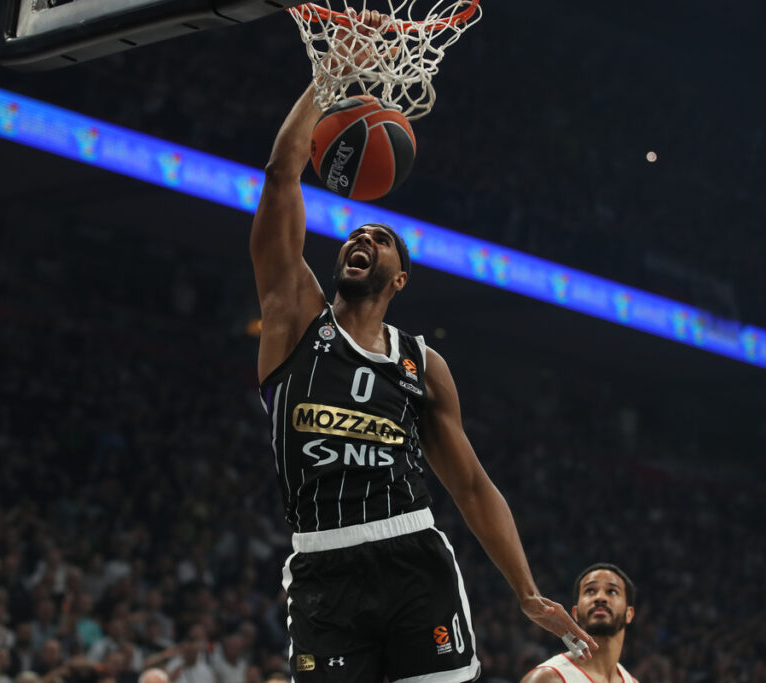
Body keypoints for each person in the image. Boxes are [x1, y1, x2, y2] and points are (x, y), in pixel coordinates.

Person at [250, 10, 595, 683]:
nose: (361, 239)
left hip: (413, 555)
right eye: (355, 234)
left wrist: (524, 588)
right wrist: (330, 77)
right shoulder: (293, 317)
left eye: (379, 239)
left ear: (398, 277)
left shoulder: (421, 364)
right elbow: (281, 175)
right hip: (323, 567)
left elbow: (469, 483)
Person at [520, 563, 638, 683]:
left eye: (612, 591)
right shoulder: (547, 678)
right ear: (575, 613)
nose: (600, 597)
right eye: (590, 591)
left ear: (629, 614)